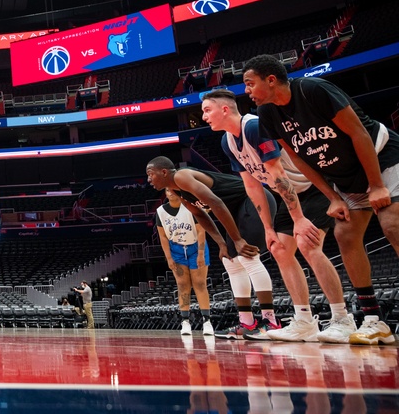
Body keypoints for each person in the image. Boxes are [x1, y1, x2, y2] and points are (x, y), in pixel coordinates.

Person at [243, 53, 399, 345]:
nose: (247, 92)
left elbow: (359, 132)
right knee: (346, 235)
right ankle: (373, 320)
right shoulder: (268, 114)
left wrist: (377, 184)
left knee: (391, 224)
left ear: (271, 80)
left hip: (380, 157)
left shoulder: (313, 90)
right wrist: (332, 196)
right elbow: (301, 159)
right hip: (346, 177)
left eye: (250, 84)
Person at [201, 88, 356, 343]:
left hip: (315, 187)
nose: (204, 117)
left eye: (207, 110)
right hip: (290, 196)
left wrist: (298, 219)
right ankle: (304, 321)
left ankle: (342, 318)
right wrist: (268, 229)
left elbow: (279, 176)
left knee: (308, 245)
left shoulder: (253, 127)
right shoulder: (228, 141)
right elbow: (253, 187)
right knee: (280, 250)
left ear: (225, 109)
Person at [146, 156, 281, 340]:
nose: (148, 180)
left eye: (150, 174)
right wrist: (222, 244)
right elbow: (201, 216)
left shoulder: (182, 177)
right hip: (237, 211)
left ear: (163, 172)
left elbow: (216, 202)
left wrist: (238, 240)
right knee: (231, 261)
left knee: (247, 257)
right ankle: (247, 323)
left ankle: (271, 322)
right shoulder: (178, 191)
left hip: (255, 199)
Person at [156, 188, 214, 336]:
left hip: (195, 246)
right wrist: (168, 257)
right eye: (167, 189)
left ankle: (207, 321)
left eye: (173, 189)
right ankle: (185, 321)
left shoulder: (189, 206)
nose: (170, 192)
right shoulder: (160, 211)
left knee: (200, 283)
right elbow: (163, 237)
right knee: (182, 285)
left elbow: (201, 230)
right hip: (176, 249)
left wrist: (201, 253)